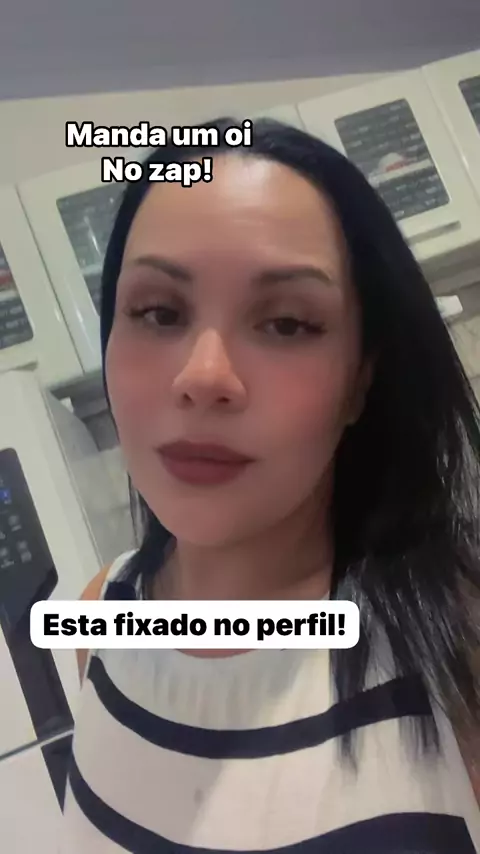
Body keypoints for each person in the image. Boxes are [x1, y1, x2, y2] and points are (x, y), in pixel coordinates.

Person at [63, 117, 480, 853]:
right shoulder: (99, 616)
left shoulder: (461, 641)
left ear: (360, 380)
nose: (203, 376)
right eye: (157, 312)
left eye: (287, 323)